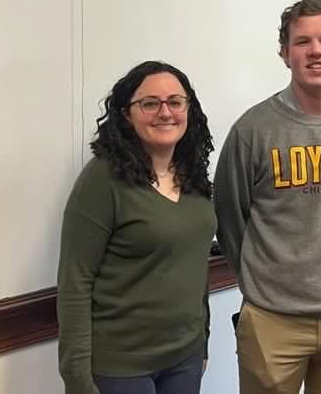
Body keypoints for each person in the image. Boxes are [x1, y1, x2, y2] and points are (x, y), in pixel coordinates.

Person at [214, 0, 321, 394]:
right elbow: (229, 218)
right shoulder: (253, 129)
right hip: (273, 320)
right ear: (284, 53)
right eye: (302, 41)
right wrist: (262, 284)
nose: (316, 51)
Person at [57, 61, 216, 394]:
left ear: (189, 109)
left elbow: (195, 266)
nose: (165, 112)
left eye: (175, 101)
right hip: (120, 365)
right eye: (149, 103)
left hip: (184, 357)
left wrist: (202, 341)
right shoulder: (102, 179)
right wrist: (76, 376)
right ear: (127, 114)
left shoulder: (194, 176)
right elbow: (75, 280)